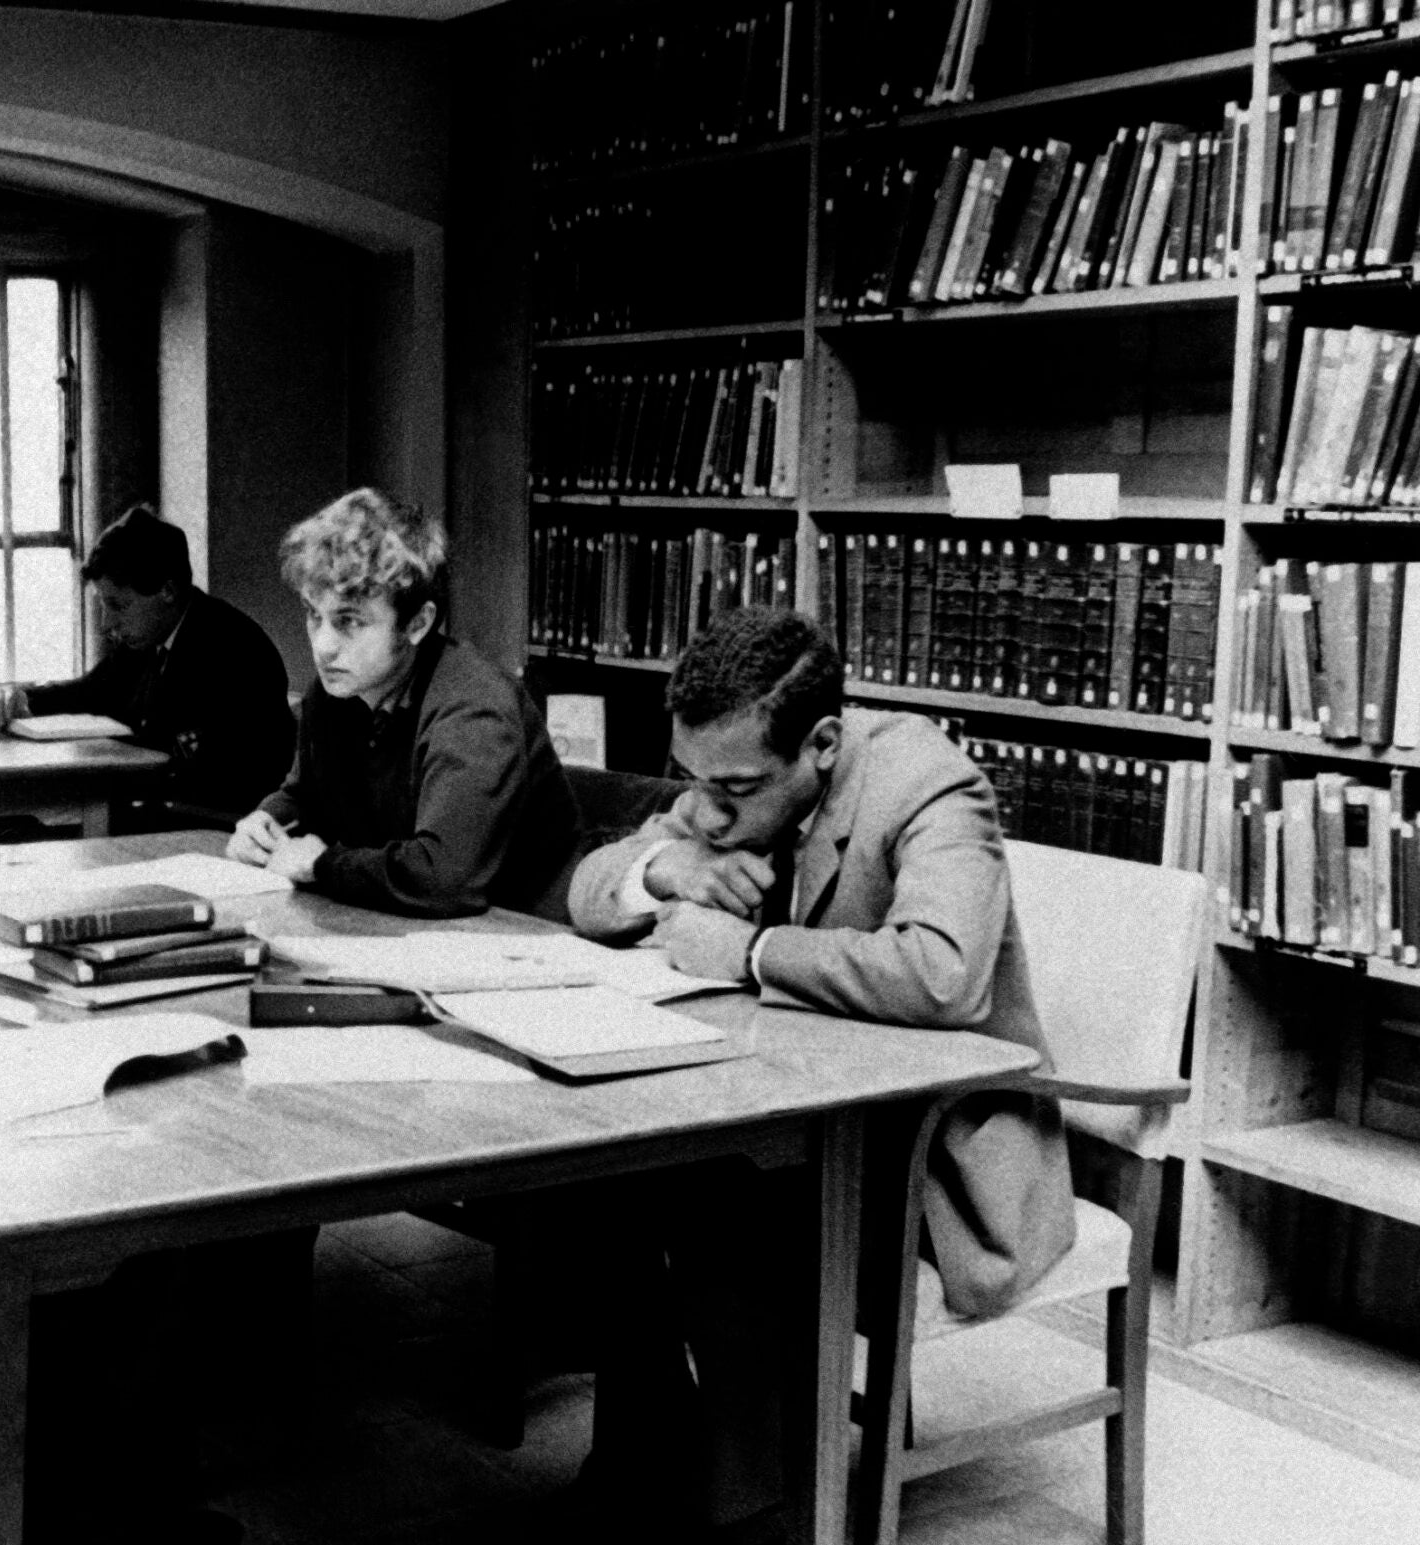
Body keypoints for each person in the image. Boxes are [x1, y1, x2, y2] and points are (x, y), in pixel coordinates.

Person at [558, 606, 1076, 1540]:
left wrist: (750, 950)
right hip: (790, 1095)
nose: (710, 810)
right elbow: (590, 892)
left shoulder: (927, 783)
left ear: (823, 745)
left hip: (932, 1148)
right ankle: (655, 1461)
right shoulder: (728, 768)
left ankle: (757, 1509)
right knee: (595, 1176)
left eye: (735, 790)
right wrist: (668, 869)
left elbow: (945, 972)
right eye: (693, 781)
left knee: (719, 1198)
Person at [225, 487, 585, 918]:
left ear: (417, 623)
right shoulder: (338, 691)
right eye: (314, 615)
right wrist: (265, 824)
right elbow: (305, 797)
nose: (323, 646)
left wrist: (322, 866)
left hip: (526, 929)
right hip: (401, 924)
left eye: (349, 621)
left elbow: (443, 878)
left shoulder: (475, 710)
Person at [0, 503, 293, 822]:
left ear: (167, 591)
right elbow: (90, 691)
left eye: (118, 605)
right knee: (11, 826)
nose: (106, 624)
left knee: (25, 830)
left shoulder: (232, 650)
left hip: (212, 821)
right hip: (158, 806)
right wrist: (19, 697)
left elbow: (212, 777)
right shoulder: (150, 638)